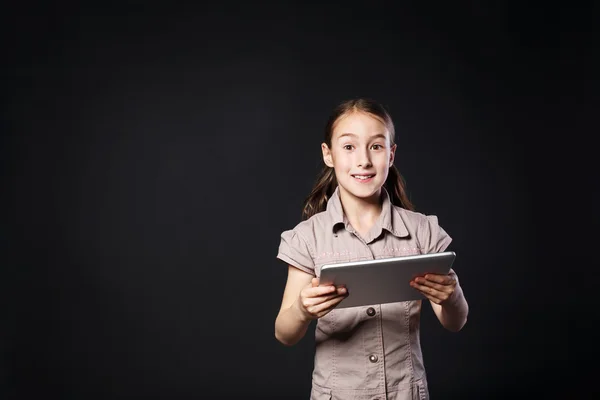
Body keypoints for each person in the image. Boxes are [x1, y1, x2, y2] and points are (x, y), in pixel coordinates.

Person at [274, 98, 469, 400]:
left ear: (391, 155)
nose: (363, 160)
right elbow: (284, 333)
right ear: (329, 155)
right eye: (349, 147)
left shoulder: (423, 231)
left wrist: (451, 296)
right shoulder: (307, 237)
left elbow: (455, 321)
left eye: (376, 147)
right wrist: (302, 309)